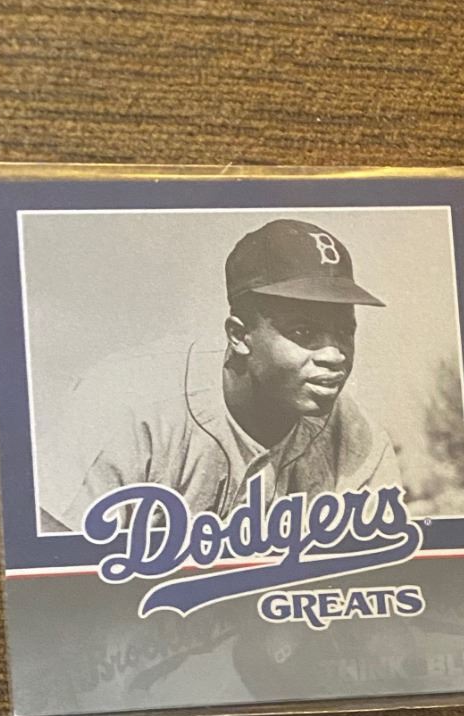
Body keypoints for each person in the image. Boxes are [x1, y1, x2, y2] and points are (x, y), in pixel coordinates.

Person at [45, 217, 399, 531]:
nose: (334, 355)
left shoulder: (356, 437)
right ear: (240, 336)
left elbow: (376, 569)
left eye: (344, 332)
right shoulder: (130, 403)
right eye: (303, 332)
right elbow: (53, 550)